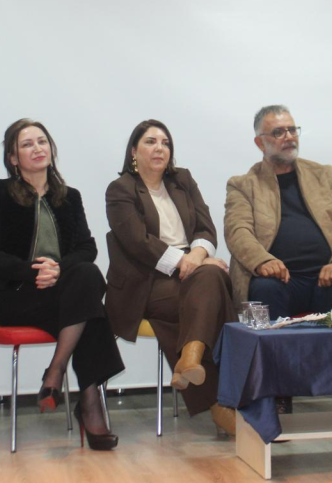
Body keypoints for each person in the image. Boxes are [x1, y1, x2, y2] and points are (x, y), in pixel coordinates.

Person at [0, 119, 124, 449]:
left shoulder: (70, 197)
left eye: (42, 141)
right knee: (89, 312)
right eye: (27, 144)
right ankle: (87, 403)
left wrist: (57, 270)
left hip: (62, 291)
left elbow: (87, 248)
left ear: (51, 149)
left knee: (87, 276)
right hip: (16, 296)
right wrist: (32, 272)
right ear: (13, 158)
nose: (37, 148)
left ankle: (56, 371)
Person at [224, 105, 332, 412]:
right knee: (263, 291)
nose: (288, 137)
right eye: (278, 132)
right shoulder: (243, 184)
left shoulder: (323, 174)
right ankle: (277, 393)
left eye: (292, 130)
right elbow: (238, 231)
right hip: (279, 281)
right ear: (260, 142)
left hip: (326, 277)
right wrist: (262, 261)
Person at [105, 119, 238, 435]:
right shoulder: (120, 189)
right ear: (134, 151)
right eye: (150, 142)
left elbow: (206, 228)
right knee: (213, 289)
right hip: (145, 283)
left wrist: (197, 256)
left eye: (165, 143)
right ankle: (224, 400)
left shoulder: (182, 180)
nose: (159, 148)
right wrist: (187, 262)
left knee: (207, 285)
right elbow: (138, 243)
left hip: (191, 275)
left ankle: (192, 360)